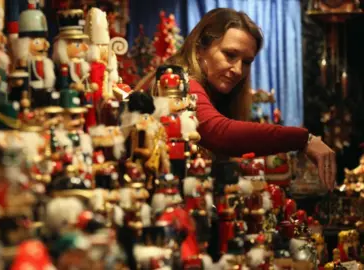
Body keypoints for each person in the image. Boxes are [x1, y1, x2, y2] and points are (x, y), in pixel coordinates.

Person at [140, 8, 336, 190]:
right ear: (199, 49)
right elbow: (218, 132)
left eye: (247, 62)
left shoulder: (209, 89)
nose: (238, 70)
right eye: (230, 55)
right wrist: (304, 139)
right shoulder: (178, 82)